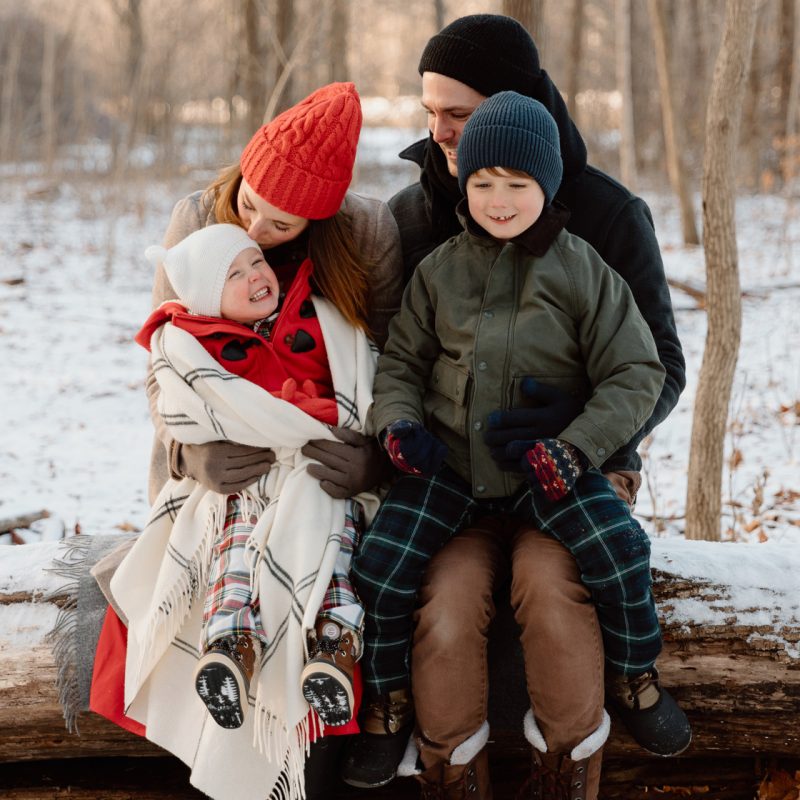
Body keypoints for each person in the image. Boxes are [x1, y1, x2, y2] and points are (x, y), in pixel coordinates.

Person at [340, 14, 687, 799]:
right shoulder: (418, 214)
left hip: (571, 468)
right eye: (428, 113)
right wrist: (399, 434)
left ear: (514, 106)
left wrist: (577, 426)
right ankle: (445, 773)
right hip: (453, 470)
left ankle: (571, 770)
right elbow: (395, 356)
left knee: (551, 587)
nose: (442, 134)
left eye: (457, 114)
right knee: (447, 599)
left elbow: (657, 366)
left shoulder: (606, 216)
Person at [105, 82, 403, 800]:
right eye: (251, 206)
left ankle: (315, 747)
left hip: (331, 459)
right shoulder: (196, 217)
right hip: (217, 465)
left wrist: (376, 456)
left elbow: (393, 365)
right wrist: (188, 456)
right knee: (227, 564)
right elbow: (166, 367)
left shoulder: (366, 235)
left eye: (285, 223)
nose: (260, 228)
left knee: (323, 564)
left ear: (323, 217)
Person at [135, 221, 371, 732]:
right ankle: (228, 645)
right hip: (247, 473)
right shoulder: (196, 343)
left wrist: (338, 426)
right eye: (234, 276)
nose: (255, 276)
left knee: (333, 538)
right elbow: (184, 399)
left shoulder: (316, 313)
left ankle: (334, 643)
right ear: (208, 302)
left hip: (317, 464)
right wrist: (191, 452)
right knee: (237, 542)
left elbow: (359, 373)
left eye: (256, 262)